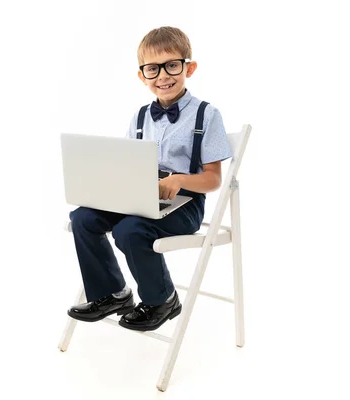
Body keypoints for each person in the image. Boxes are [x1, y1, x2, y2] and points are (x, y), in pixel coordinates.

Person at [66, 26, 233, 332]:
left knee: (130, 230)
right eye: (152, 69)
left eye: (172, 65)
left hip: (185, 203)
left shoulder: (207, 115)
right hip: (139, 197)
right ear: (142, 76)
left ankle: (162, 300)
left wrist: (180, 180)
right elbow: (128, 164)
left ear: (188, 67)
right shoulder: (140, 116)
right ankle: (113, 293)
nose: (163, 76)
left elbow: (212, 180)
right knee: (82, 218)